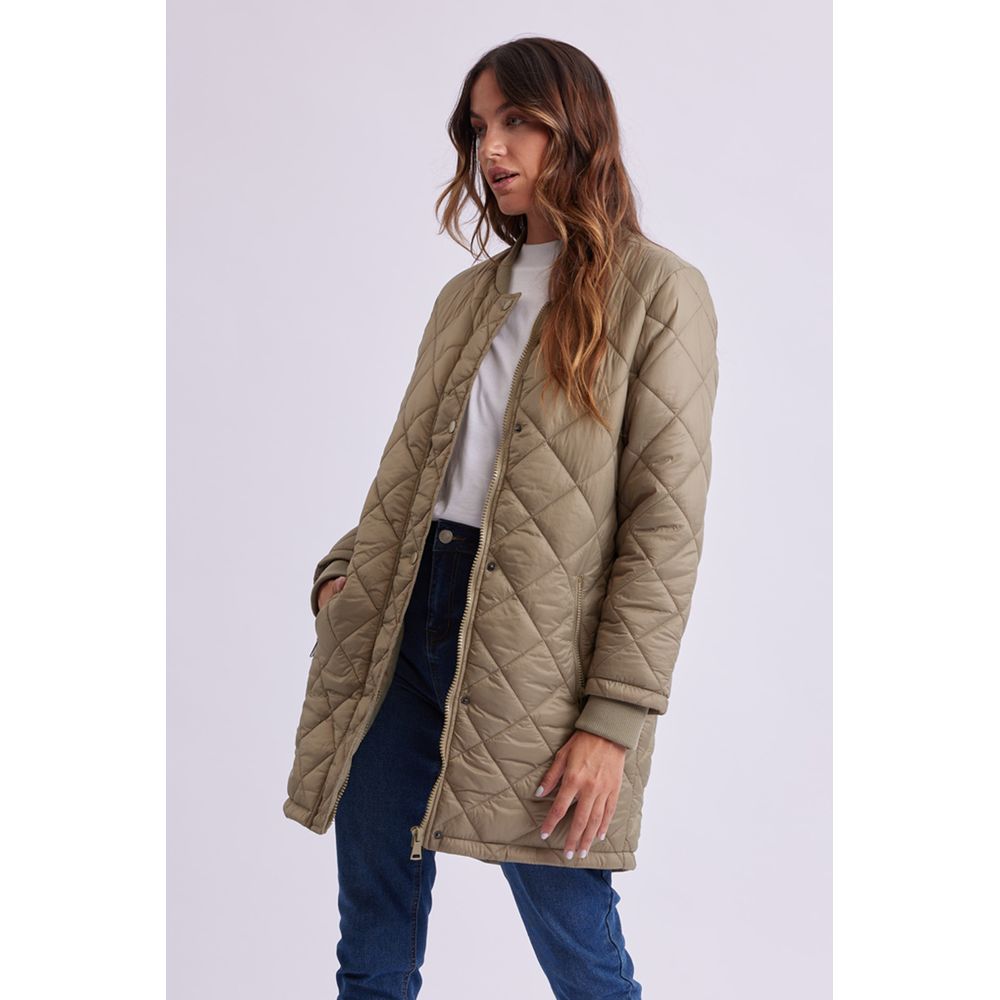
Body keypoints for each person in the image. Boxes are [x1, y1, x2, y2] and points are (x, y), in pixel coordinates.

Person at [284, 36, 720, 1000]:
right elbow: (414, 471)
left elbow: (664, 528)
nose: (493, 148)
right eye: (480, 127)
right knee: (372, 938)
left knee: (579, 947)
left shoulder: (659, 292)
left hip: (539, 658)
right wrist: (337, 576)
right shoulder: (465, 298)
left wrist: (612, 720)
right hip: (397, 631)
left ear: (578, 127)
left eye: (519, 121)